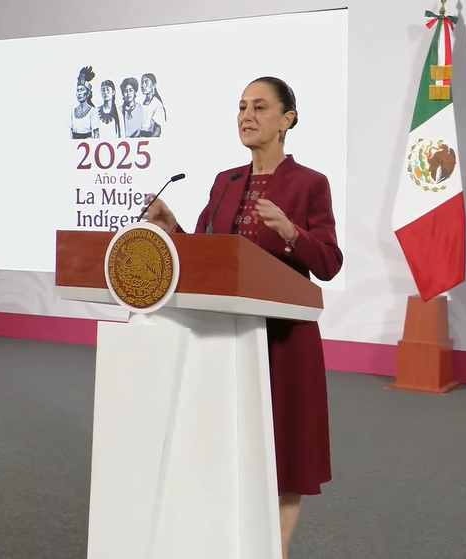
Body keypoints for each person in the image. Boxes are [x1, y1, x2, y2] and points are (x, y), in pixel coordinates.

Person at [141, 76, 342, 559]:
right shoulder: (225, 181)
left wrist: (292, 232)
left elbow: (330, 263)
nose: (246, 116)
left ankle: (277, 552)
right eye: (241, 107)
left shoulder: (311, 183)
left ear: (287, 120)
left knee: (284, 452)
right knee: (231, 448)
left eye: (260, 107)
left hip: (283, 338)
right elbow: (212, 258)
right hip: (227, 335)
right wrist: (175, 230)